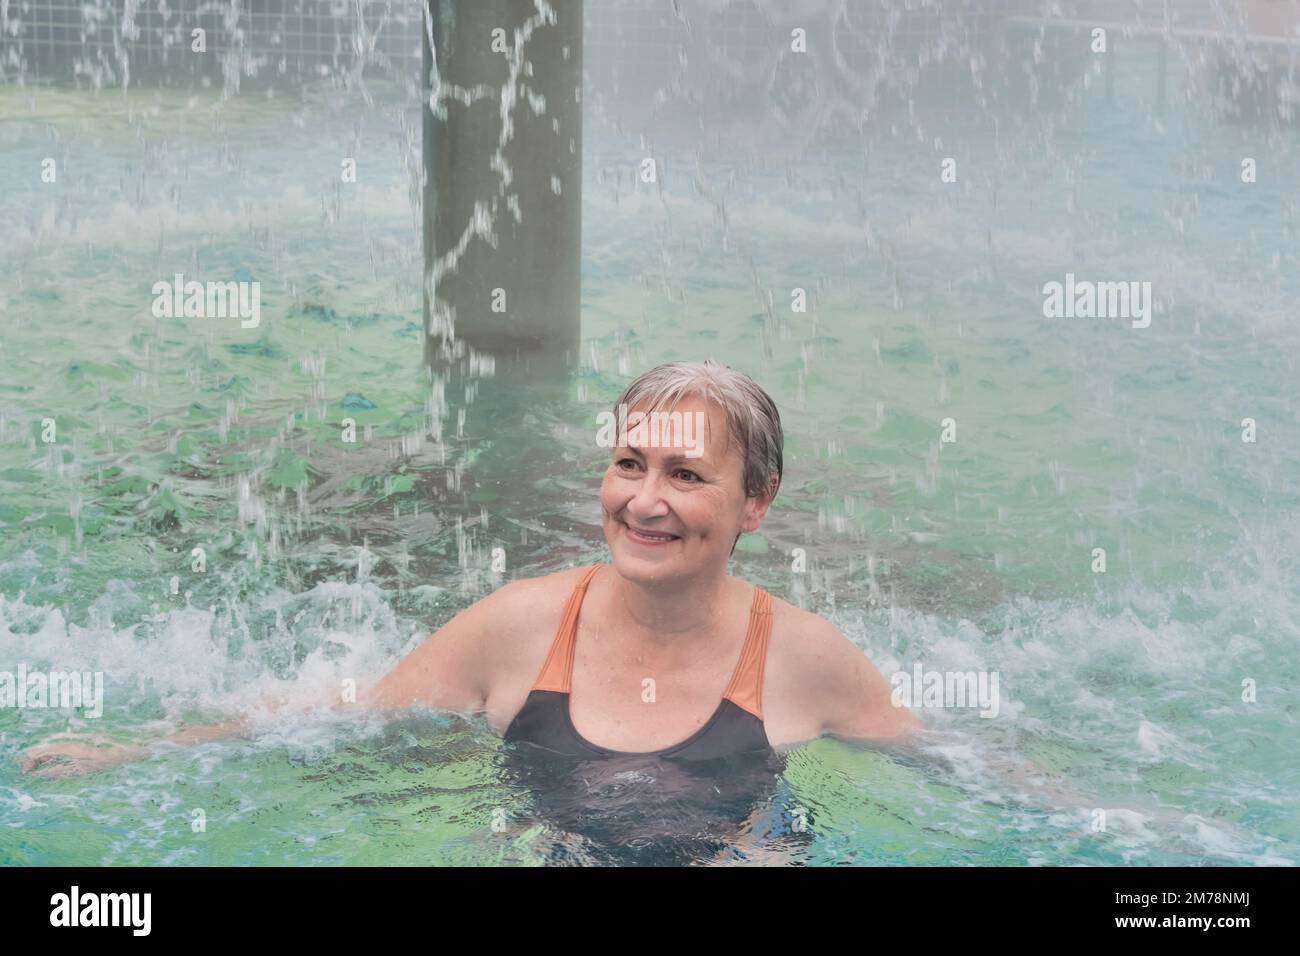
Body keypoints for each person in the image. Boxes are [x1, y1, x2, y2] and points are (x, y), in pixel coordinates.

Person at [20, 360, 919, 779]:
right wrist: (136, 752)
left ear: (756, 503)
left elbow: (958, 772)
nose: (644, 501)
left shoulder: (805, 658)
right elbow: (346, 714)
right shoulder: (521, 626)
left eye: (686, 476)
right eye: (629, 463)